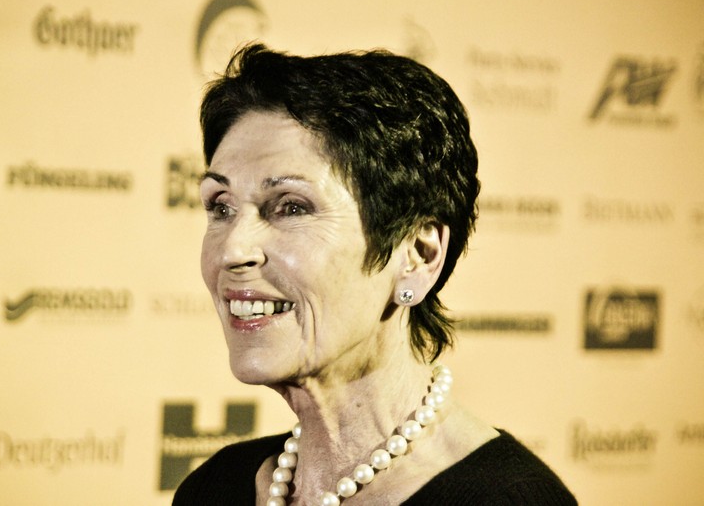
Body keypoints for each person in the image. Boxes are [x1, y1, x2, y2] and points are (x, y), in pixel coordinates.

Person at [173, 43, 576, 505]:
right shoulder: (215, 488)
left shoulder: (507, 501)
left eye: (291, 207)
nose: (232, 250)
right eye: (221, 207)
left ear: (418, 255)